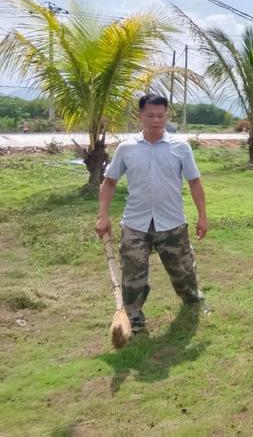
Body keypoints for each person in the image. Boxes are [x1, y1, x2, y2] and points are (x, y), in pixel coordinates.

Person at [95, 94, 208, 334]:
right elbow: (109, 183)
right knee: (133, 276)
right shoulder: (126, 149)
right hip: (136, 224)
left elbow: (195, 182)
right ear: (141, 116)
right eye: (150, 115)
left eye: (160, 115)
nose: (156, 121)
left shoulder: (180, 147)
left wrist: (202, 216)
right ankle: (133, 316)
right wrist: (102, 215)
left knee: (184, 270)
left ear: (166, 116)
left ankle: (194, 302)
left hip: (172, 223)